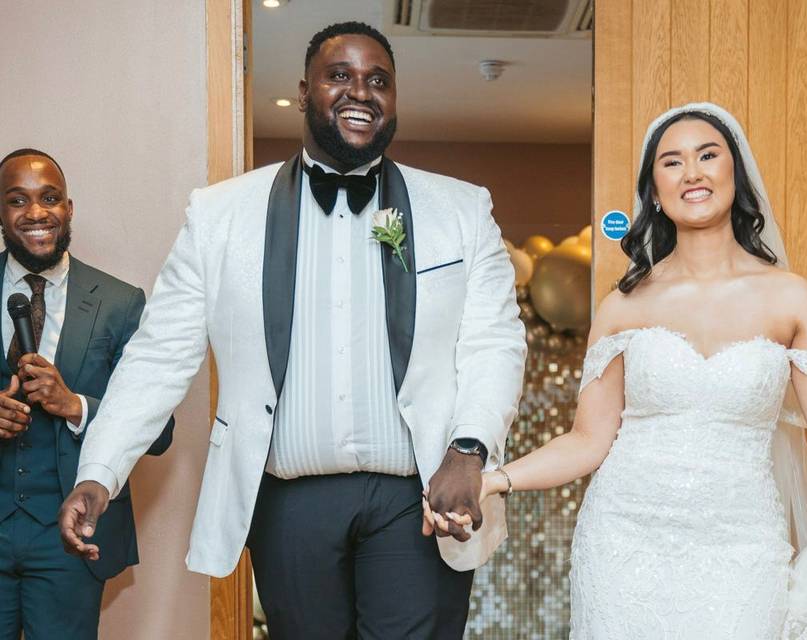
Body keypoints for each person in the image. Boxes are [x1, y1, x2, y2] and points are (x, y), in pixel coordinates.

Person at [58, 21, 525, 639]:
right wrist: (100, 471)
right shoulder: (220, 215)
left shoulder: (461, 210)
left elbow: (495, 340)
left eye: (378, 80)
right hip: (287, 501)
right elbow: (158, 357)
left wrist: (469, 449)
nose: (360, 92)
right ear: (305, 92)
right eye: (340, 76)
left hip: (419, 497)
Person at [426, 103, 807, 639]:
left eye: (708, 155)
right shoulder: (624, 305)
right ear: (655, 190)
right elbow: (588, 440)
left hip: (742, 544)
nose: (694, 172)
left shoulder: (791, 298)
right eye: (673, 162)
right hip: (624, 540)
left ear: (735, 172)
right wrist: (495, 478)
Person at [0, 148, 173, 639]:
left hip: (71, 533)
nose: (36, 213)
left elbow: (160, 430)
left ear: (69, 209)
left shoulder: (120, 303)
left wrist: (73, 405)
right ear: (0, 211)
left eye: (49, 198)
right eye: (17, 200)